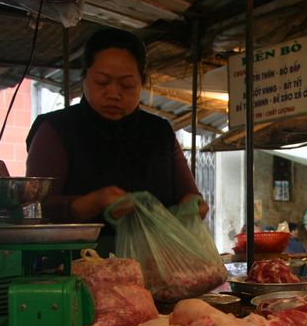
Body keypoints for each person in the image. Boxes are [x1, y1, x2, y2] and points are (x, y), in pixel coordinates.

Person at [25, 28, 207, 228]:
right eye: (101, 82)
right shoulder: (56, 129)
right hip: (75, 256)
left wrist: (194, 205)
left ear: (142, 83)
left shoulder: (159, 132)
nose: (113, 93)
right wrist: (91, 204)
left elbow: (190, 196)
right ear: (84, 77)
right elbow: (34, 208)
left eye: (127, 85)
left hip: (153, 256)